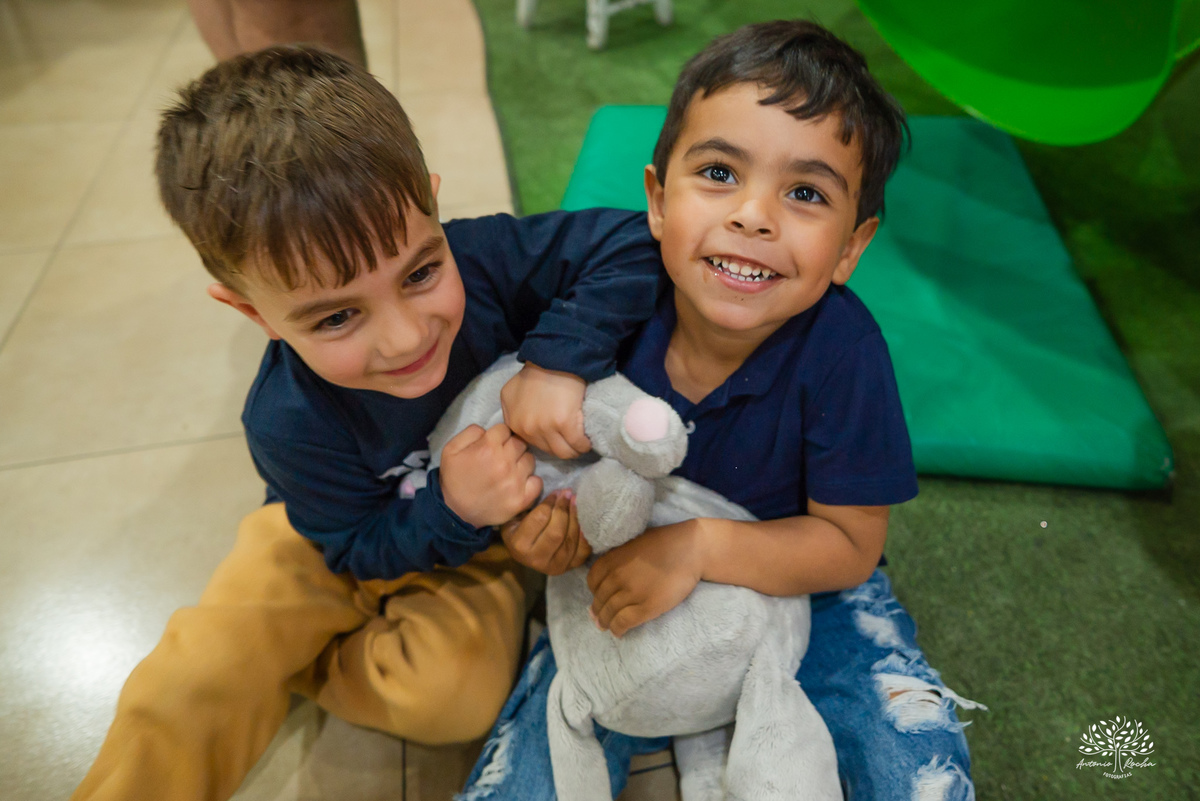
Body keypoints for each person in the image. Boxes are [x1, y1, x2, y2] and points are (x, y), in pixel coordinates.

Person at [70, 46, 661, 801]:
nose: (407, 337)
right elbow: (351, 546)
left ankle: (307, 662)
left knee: (456, 697)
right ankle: (273, 657)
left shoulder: (483, 258)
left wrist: (555, 363)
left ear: (434, 210)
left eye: (420, 273)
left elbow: (634, 241)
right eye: (339, 315)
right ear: (254, 314)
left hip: (466, 547)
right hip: (322, 533)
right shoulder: (284, 420)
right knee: (198, 675)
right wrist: (452, 503)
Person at [459, 20, 983, 801]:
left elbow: (847, 544)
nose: (753, 215)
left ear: (850, 247)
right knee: (533, 767)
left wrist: (698, 548)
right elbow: (542, 465)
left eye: (805, 193)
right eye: (718, 173)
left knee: (913, 763)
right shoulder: (607, 308)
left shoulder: (845, 350)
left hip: (803, 585)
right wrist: (540, 536)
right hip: (616, 579)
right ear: (657, 201)